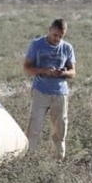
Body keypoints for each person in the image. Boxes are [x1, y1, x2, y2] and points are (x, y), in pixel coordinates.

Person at [23, 19, 76, 160]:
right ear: (49, 30)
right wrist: (43, 70)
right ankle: (29, 157)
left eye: (61, 36)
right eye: (55, 35)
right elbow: (27, 68)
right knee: (34, 125)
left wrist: (63, 73)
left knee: (60, 128)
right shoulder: (36, 45)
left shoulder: (67, 48)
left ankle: (58, 158)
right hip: (40, 91)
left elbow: (73, 71)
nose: (57, 39)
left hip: (60, 93)